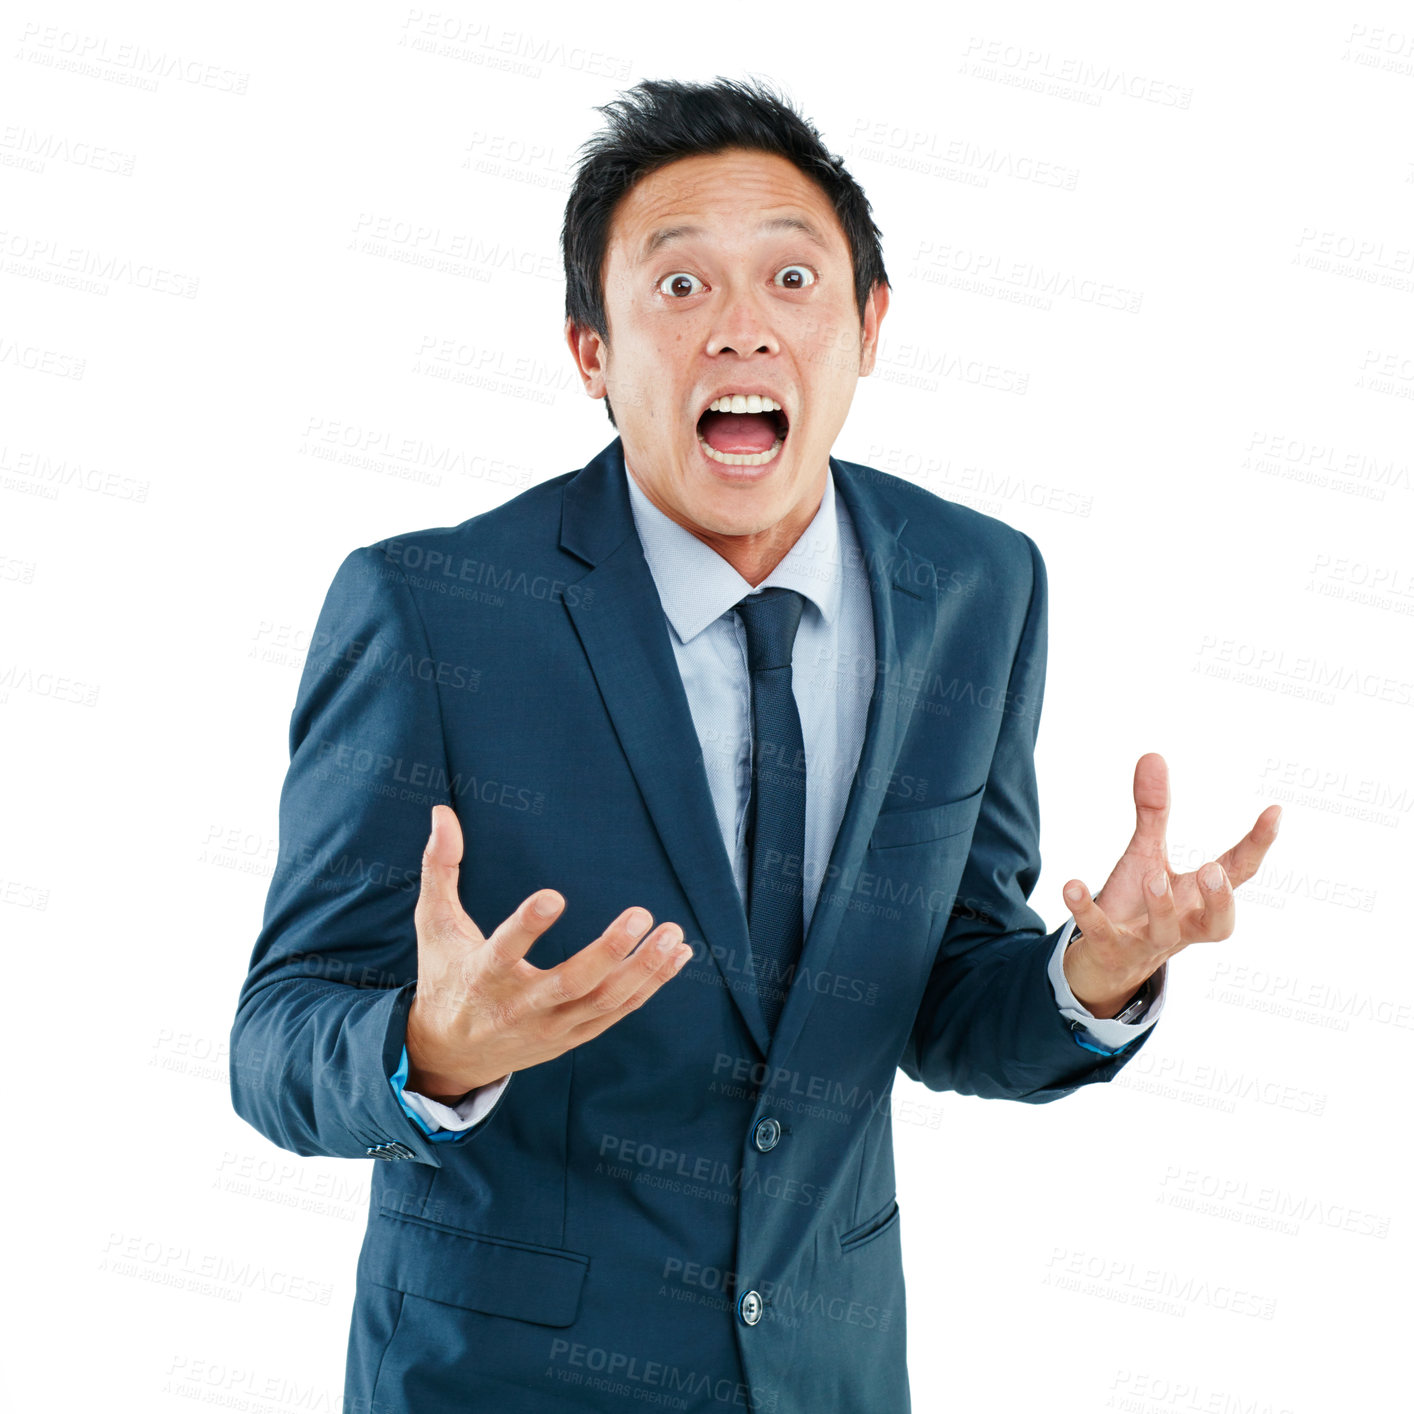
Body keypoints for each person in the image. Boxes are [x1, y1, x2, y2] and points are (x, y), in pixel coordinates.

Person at [230, 76, 1280, 1414]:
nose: (742, 328)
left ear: (868, 326)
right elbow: (274, 1034)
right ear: (589, 350)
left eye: (792, 277)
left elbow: (949, 999)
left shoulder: (975, 584)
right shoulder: (431, 607)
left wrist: (1090, 973)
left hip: (826, 1379)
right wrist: (428, 1047)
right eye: (678, 288)